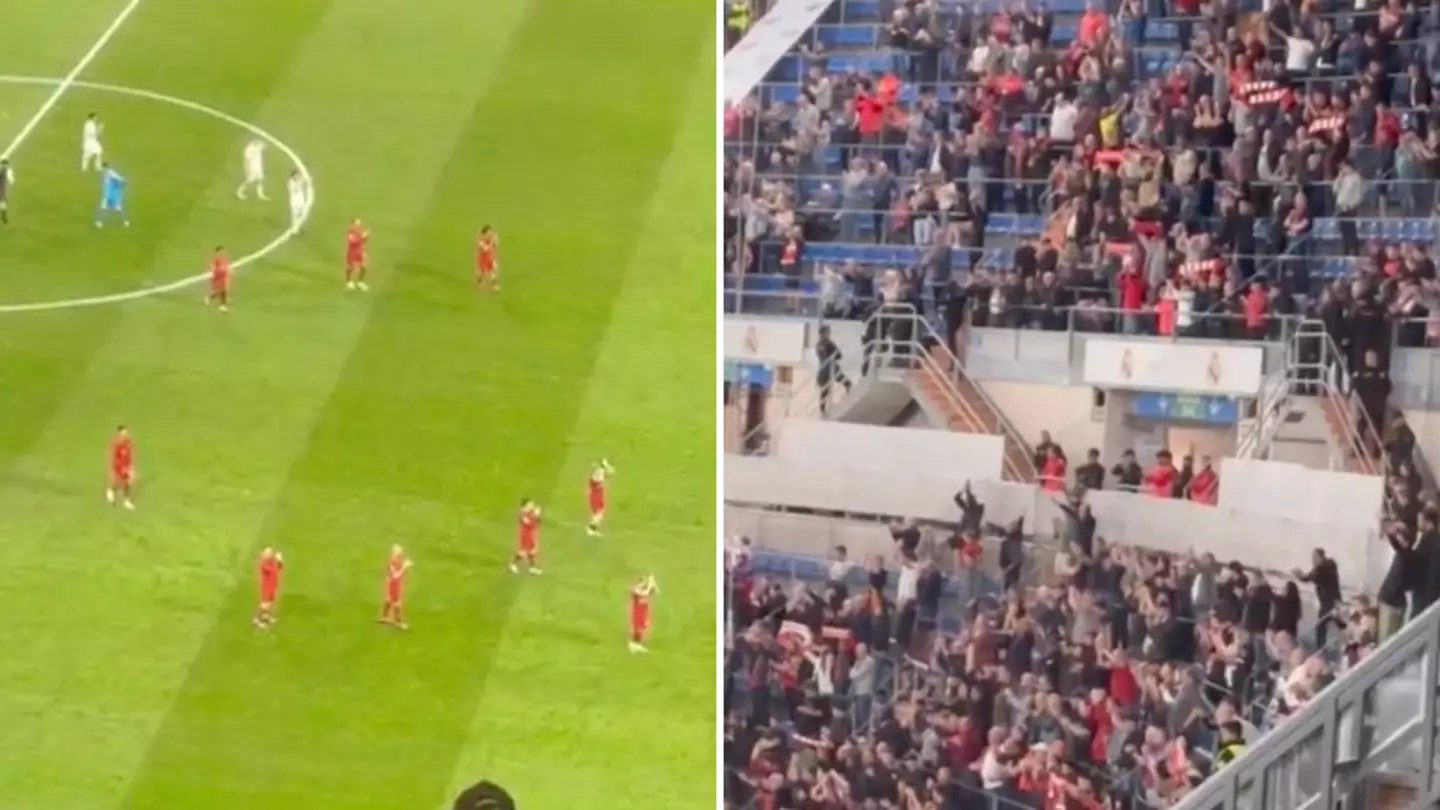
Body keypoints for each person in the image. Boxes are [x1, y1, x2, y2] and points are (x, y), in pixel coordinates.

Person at [1295, 549, 1342, 648]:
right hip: (1328, 602)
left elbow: (1311, 576)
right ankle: (1324, 648)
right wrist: (1300, 575)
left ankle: (1321, 650)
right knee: (1328, 624)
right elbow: (1307, 578)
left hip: (1331, 602)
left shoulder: (1327, 566)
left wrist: (1301, 575)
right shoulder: (1321, 568)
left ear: (1320, 556)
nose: (1312, 560)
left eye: (1314, 557)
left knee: (1322, 626)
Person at [379, 544, 411, 629]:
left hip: (392, 583)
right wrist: (405, 567)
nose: (401, 556)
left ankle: (384, 617)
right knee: (397, 603)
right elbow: (396, 576)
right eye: (399, 555)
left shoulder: (394, 562)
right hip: (395, 584)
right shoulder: (393, 562)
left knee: (389, 598)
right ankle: (398, 622)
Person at [106, 425, 135, 510]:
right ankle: (111, 490)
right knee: (119, 483)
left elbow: (129, 454)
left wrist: (131, 466)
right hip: (119, 465)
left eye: (126, 432)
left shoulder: (128, 441)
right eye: (123, 432)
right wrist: (114, 467)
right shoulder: (116, 443)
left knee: (128, 483)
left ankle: (126, 501)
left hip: (126, 465)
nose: (125, 433)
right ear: (119, 433)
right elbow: (113, 456)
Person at [510, 499, 542, 574]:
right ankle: (513, 564)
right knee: (523, 551)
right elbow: (528, 524)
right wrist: (535, 516)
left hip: (532, 534)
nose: (532, 506)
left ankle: (532, 567)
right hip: (525, 535)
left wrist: (537, 516)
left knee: (532, 551)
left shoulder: (530, 513)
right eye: (530, 505)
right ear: (524, 506)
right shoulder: (522, 515)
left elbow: (538, 522)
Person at [255, 547, 284, 629]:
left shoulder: (271, 562)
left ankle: (267, 617)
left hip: (272, 585)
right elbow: (275, 570)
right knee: (265, 604)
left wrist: (279, 561)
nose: (271, 555)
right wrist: (279, 560)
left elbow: (279, 568)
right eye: (269, 554)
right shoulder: (264, 565)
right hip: (267, 587)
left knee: (270, 602)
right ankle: (259, 620)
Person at [586, 458, 614, 537]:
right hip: (595, 496)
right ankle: (590, 529)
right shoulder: (596, 475)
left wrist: (606, 466)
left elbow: (611, 472)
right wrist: (605, 467)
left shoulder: (600, 472)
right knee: (598, 513)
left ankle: (593, 529)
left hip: (599, 495)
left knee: (599, 513)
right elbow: (601, 477)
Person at [95, 163, 128, 228]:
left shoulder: (111, 174)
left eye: (102, 168)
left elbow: (121, 179)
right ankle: (99, 222)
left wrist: (121, 186)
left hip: (111, 195)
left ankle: (125, 221)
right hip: (109, 194)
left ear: (105, 168)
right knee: (107, 208)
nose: (101, 169)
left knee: (111, 208)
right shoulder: (106, 173)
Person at [629, 574, 657, 652]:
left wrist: (652, 584)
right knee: (637, 628)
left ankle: (637, 644)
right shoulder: (635, 591)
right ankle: (634, 644)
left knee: (643, 628)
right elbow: (645, 593)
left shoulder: (643, 591)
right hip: (637, 613)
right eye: (642, 583)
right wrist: (650, 585)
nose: (643, 584)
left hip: (643, 612)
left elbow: (652, 592)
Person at [345, 219, 370, 291]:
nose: (358, 226)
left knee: (363, 267)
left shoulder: (359, 233)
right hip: (352, 253)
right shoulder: (350, 234)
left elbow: (362, 241)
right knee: (350, 267)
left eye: (359, 225)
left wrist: (366, 237)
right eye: (356, 225)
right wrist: (364, 236)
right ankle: (349, 282)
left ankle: (360, 282)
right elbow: (355, 242)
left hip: (360, 252)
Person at [205, 246, 231, 312]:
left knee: (224, 290)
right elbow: (212, 266)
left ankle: (223, 306)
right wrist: (212, 272)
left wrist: (229, 272)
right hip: (218, 277)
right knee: (218, 292)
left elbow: (226, 266)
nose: (223, 252)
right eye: (221, 251)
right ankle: (209, 298)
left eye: (223, 251)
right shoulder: (216, 259)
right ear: (217, 252)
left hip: (224, 277)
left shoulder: (225, 259)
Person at [477, 225, 500, 292]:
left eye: (491, 232)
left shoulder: (491, 238)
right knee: (482, 273)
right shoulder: (480, 241)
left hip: (491, 258)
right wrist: (492, 242)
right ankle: (479, 282)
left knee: (494, 271)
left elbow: (496, 246)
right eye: (489, 232)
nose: (490, 234)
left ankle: (494, 285)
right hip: (484, 260)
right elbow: (485, 248)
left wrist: (496, 240)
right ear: (485, 233)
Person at [0, 158, 13, 225]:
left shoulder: (3, 170)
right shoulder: (8, 171)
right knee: (2, 203)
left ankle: (4, 217)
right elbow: (11, 181)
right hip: (2, 190)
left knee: (2, 203)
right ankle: (4, 217)